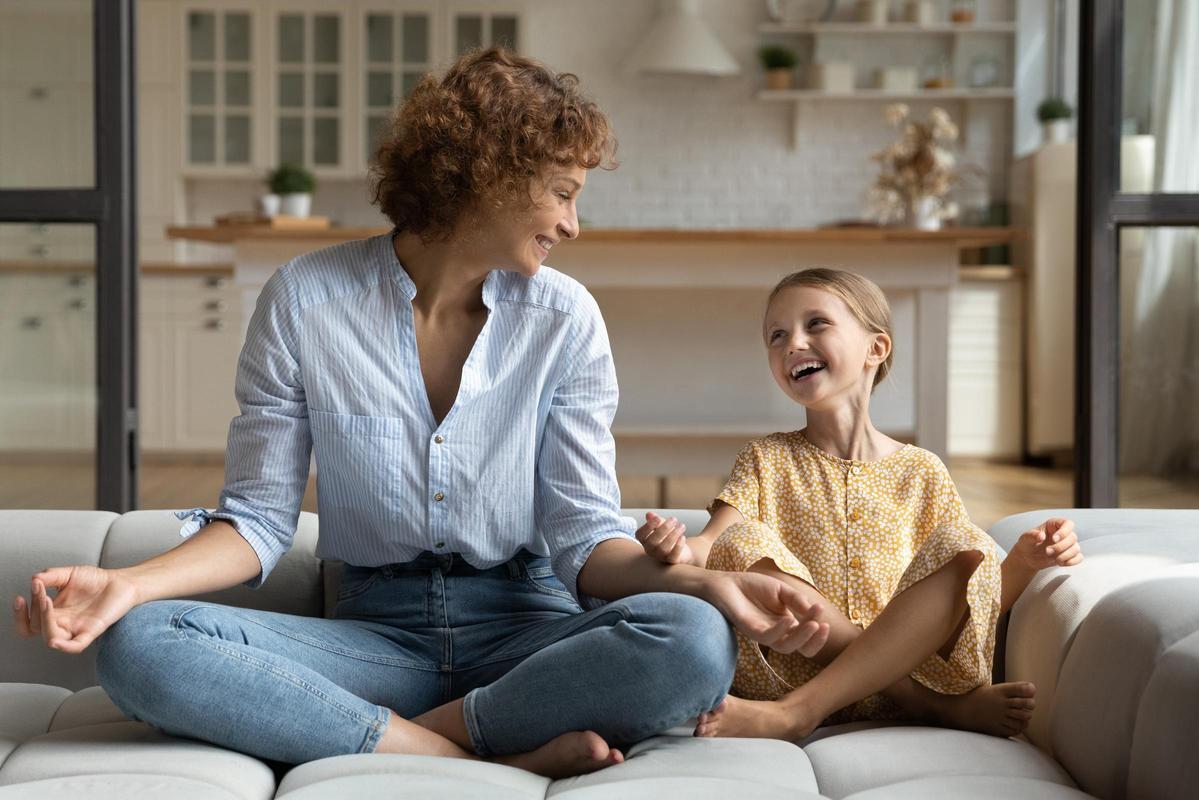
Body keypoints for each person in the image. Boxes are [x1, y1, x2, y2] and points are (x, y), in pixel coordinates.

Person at [10, 48, 831, 778]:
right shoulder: (305, 300)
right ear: (492, 175)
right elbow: (256, 522)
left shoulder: (566, 319)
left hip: (530, 636)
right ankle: (471, 752)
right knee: (141, 645)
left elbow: (585, 539)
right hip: (375, 638)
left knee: (692, 638)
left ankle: (399, 737)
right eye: (561, 194)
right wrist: (125, 585)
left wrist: (708, 584)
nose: (572, 225)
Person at [636, 267, 1084, 741]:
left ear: (876, 348)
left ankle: (803, 712)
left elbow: (967, 599)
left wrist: (1024, 563)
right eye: (777, 335)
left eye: (816, 324)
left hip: (915, 665)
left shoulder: (922, 471)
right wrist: (679, 551)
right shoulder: (765, 457)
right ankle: (925, 705)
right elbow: (714, 543)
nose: (793, 343)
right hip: (790, 673)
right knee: (743, 540)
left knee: (966, 542)